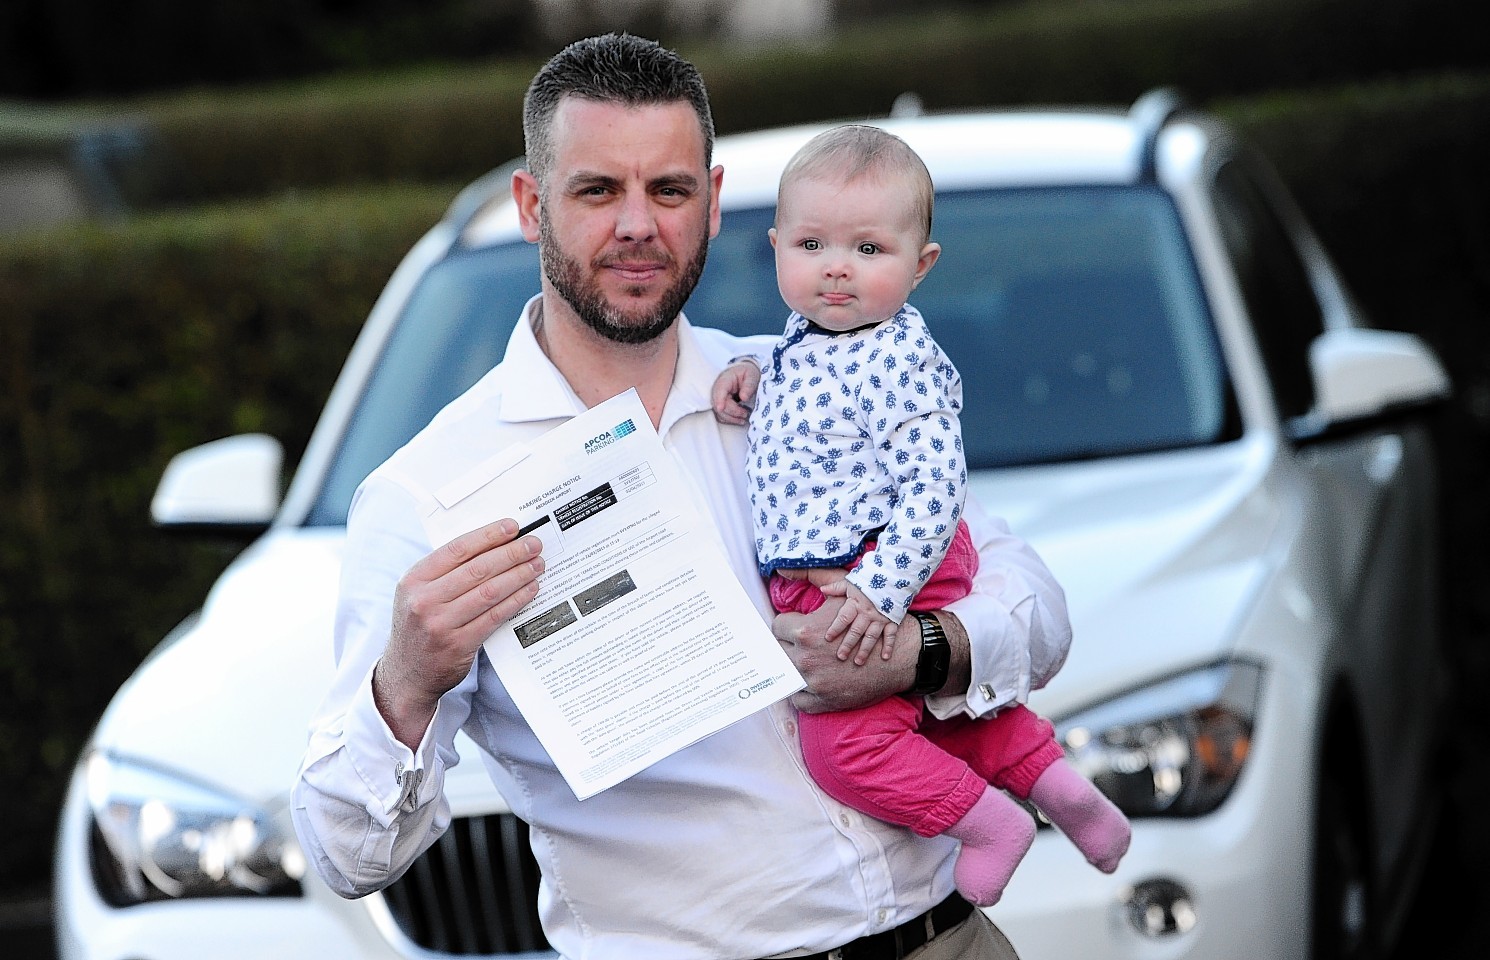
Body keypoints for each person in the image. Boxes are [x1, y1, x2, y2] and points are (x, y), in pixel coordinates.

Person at [291, 32, 1074, 960]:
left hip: (952, 942)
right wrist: (407, 683)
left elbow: (1040, 610)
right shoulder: (427, 496)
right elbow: (346, 855)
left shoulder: (808, 381)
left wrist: (918, 648)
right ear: (531, 206)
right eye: (596, 192)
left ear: (711, 203)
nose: (638, 225)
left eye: (668, 190)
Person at [710, 124, 1130, 908]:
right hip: (852, 566)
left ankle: (988, 826)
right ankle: (1067, 793)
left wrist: (880, 595)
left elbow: (937, 491)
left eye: (869, 250)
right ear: (775, 249)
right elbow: (806, 371)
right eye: (811, 245)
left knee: (846, 748)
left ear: (921, 264)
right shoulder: (804, 341)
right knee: (951, 721)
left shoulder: (902, 358)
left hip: (885, 565)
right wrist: (751, 368)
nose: (836, 266)